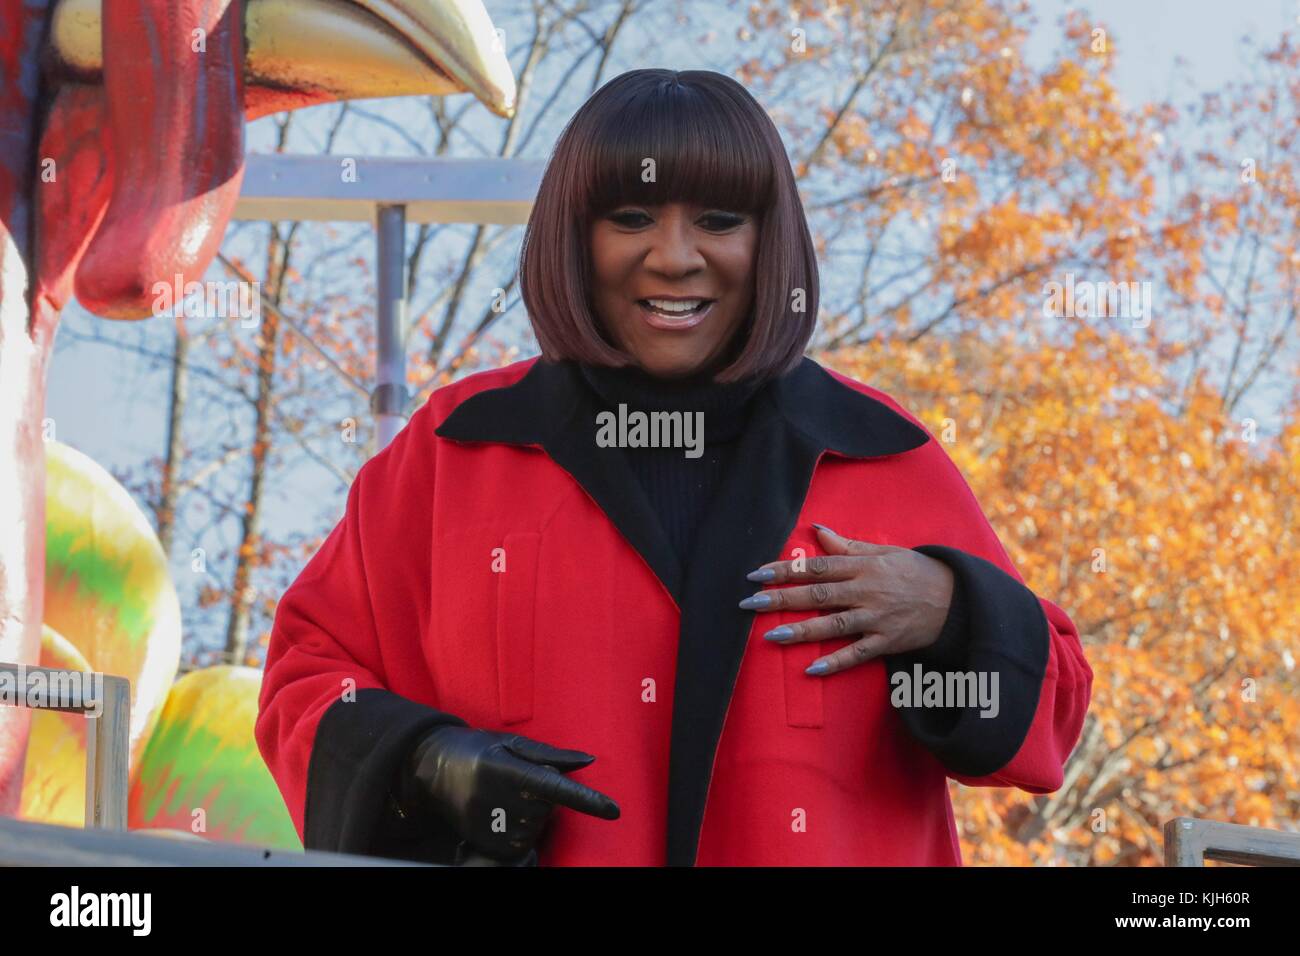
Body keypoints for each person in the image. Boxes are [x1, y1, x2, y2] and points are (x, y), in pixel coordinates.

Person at [255, 68, 1093, 867]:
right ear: (573, 239)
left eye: (720, 221)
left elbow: (1051, 719)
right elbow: (305, 675)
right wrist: (429, 762)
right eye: (629, 218)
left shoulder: (880, 450)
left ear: (770, 244)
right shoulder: (456, 452)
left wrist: (950, 611)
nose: (674, 257)